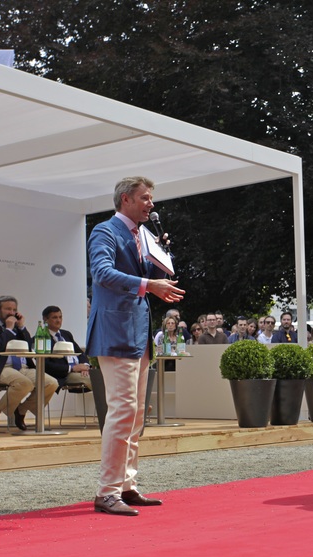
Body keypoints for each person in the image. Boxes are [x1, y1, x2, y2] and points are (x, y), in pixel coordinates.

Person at [87, 176, 185, 516]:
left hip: (137, 335)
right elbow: (102, 273)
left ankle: (127, 485)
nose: (151, 204)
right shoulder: (104, 231)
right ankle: (107, 491)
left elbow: (145, 276)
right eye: (145, 198)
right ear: (126, 199)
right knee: (122, 412)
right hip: (114, 333)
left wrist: (160, 256)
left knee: (135, 415)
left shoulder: (142, 235)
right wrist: (149, 284)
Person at [0, 296, 59, 432]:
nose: (11, 312)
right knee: (24, 383)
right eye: (8, 309)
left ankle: (21, 410)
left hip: (22, 366)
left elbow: (27, 344)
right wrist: (8, 330)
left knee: (51, 383)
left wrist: (21, 327)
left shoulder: (16, 327)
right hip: (0, 367)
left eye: (14, 309)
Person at [42, 305, 91, 390]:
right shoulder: (42, 338)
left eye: (60, 317)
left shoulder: (66, 334)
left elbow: (80, 353)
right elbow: (46, 364)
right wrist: (72, 368)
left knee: (102, 376)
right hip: (64, 374)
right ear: (45, 320)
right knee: (94, 380)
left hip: (80, 371)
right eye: (55, 317)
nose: (58, 320)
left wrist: (85, 366)